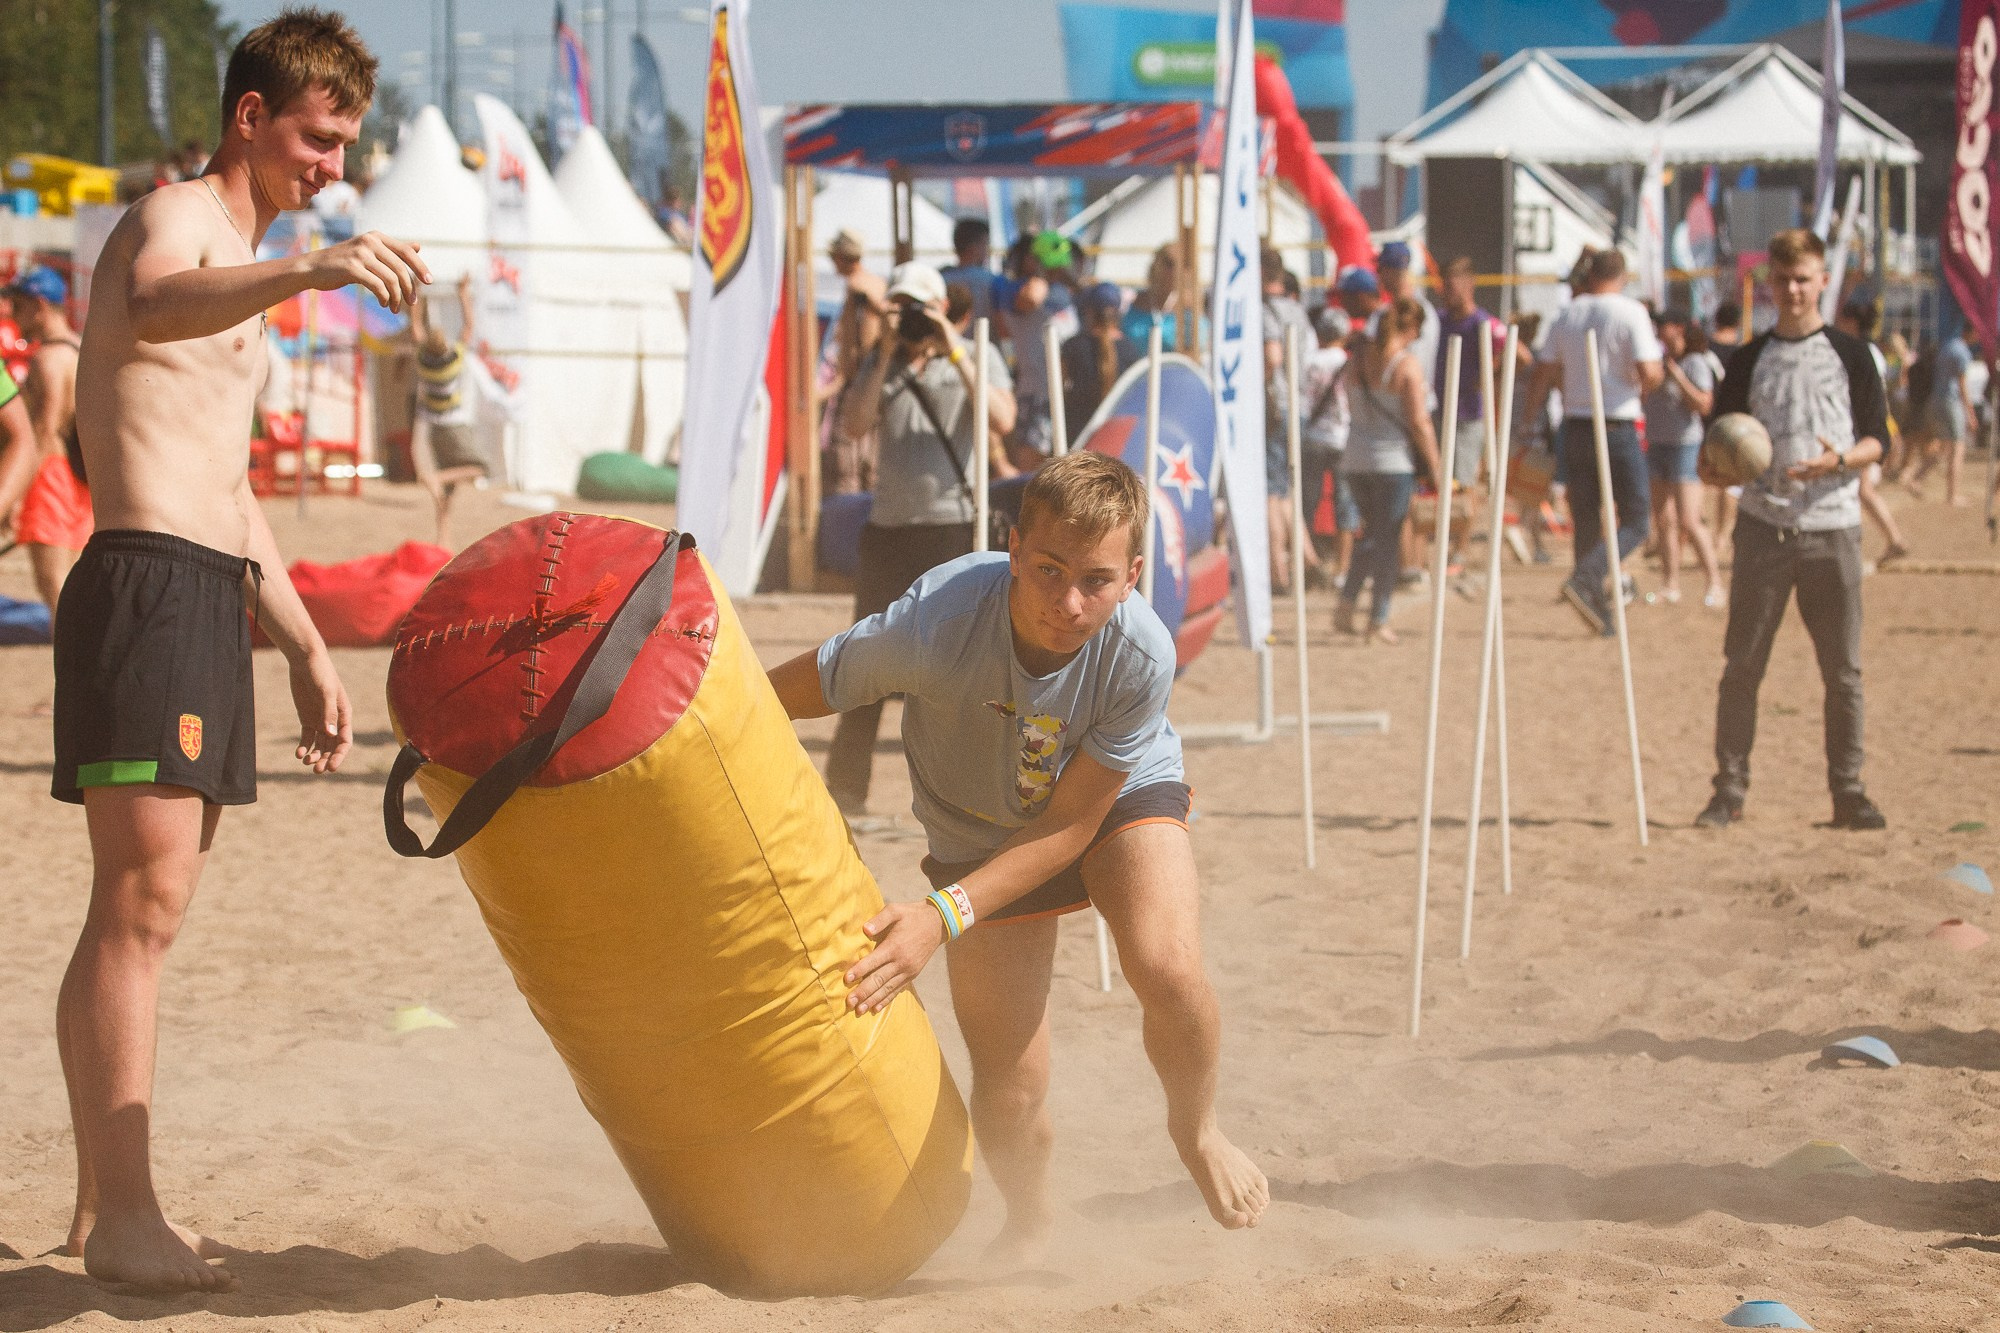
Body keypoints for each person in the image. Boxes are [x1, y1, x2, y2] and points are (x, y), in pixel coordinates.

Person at [54, 9, 426, 1291]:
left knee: (140, 912)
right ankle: (124, 1216)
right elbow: (152, 306)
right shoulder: (175, 222)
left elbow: (232, 488)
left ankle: (99, 1206)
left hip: (205, 589)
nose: (332, 164)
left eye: (345, 145)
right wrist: (313, 270)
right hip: (145, 583)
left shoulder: (249, 276)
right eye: (318, 139)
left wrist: (307, 644)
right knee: (140, 907)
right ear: (251, 117)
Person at [766, 450, 1270, 1266]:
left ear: (1134, 575)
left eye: (1097, 580)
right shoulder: (934, 620)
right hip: (976, 827)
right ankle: (1032, 1219)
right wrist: (693, 721)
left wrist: (942, 915)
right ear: (1011, 547)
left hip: (1104, 800)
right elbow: (792, 692)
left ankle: (1198, 1129)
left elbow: (1071, 825)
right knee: (1008, 1092)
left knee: (1169, 967)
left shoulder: (1141, 654)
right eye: (1048, 570)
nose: (1069, 603)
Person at [1696, 228, 1886, 833]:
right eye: (1784, 280)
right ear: (1769, 283)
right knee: (1743, 665)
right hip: (1764, 528)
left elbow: (1878, 439)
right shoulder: (1748, 359)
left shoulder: (1853, 354)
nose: (1795, 290)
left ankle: (1848, 792)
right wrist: (1720, 461)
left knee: (1844, 671)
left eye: (1805, 278)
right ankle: (1728, 790)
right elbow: (1714, 449)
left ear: (1824, 280)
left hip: (1833, 526)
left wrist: (1839, 462)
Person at [827, 261, 1016, 817]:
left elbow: (1002, 419)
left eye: (920, 308)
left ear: (943, 307)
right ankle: (844, 789)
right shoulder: (880, 365)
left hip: (950, 529)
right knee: (867, 657)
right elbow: (853, 427)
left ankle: (966, 794)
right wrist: (885, 350)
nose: (911, 319)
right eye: (903, 307)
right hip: (888, 533)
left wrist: (951, 345)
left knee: (960, 665)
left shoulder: (975, 356)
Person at [1527, 248, 1663, 634]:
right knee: (1637, 518)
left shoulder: (1568, 312)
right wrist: (1640, 384)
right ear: (1622, 275)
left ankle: (1597, 607)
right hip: (1616, 423)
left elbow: (1544, 371)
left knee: (1586, 516)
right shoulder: (1629, 311)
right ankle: (1588, 578)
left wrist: (1527, 421)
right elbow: (1650, 371)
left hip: (1576, 424)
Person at [1334, 297, 1444, 644]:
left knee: (1371, 535)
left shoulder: (1359, 360)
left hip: (1355, 459)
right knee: (1387, 541)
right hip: (1392, 463)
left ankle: (1348, 602)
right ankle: (1377, 617)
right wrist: (1437, 468)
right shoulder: (1406, 366)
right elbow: (1419, 422)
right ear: (1410, 329)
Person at [2, 266, 90, 630]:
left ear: (39, 306)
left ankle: (74, 667)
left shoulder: (46, 359)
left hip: (49, 474)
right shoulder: (82, 348)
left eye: (18, 307)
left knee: (52, 583)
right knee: (74, 582)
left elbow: (41, 430)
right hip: (80, 475)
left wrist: (16, 497)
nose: (12, 316)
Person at [1642, 310, 1724, 607]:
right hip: (1657, 444)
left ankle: (1715, 583)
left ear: (1677, 329)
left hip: (1685, 446)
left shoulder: (1696, 363)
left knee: (1690, 519)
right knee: (1664, 520)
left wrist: (1678, 379)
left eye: (1662, 327)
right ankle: (1670, 584)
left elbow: (1703, 404)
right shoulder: (1656, 364)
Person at [1433, 257, 1503, 574]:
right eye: (1444, 287)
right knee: (1437, 481)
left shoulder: (1482, 323)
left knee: (1463, 483)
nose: (1447, 293)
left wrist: (1487, 375)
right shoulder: (1439, 320)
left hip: (1468, 414)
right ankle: (1442, 545)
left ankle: (1458, 551)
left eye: (1452, 287)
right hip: (1438, 410)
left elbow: (1518, 354)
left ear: (1468, 285)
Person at [409, 274, 487, 547]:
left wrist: (415, 293)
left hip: (432, 425)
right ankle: (435, 477)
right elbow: (469, 326)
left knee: (447, 493)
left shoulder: (422, 360)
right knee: (479, 469)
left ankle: (443, 540)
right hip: (453, 424)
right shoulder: (454, 360)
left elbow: (415, 324)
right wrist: (463, 294)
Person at [1832, 299, 1910, 563]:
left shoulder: (1861, 352)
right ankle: (1893, 539)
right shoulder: (1870, 351)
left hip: (1864, 430)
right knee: (1860, 490)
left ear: (1851, 321)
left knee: (1863, 490)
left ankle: (1895, 538)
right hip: (1868, 427)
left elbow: (1872, 398)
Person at [994, 231, 1078, 466]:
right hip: (1036, 396)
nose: (1057, 272)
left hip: (1064, 396)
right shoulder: (1016, 288)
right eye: (1051, 267)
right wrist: (1043, 275)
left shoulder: (1063, 291)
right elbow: (1030, 298)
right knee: (1033, 471)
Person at [1262, 249, 1315, 591]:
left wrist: (1262, 387)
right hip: (1299, 405)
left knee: (1271, 493)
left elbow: (1272, 356)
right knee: (1286, 490)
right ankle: (1305, 560)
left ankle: (1279, 571)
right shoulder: (1298, 310)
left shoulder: (1265, 310)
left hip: (1275, 406)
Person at [824, 228, 888, 494]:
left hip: (859, 381)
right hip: (874, 378)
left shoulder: (857, 288)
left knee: (847, 461)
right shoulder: (876, 284)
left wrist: (844, 380)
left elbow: (857, 341)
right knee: (871, 459)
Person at [1300, 304, 1357, 579]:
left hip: (1312, 437)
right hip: (1343, 437)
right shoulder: (1350, 361)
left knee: (1306, 503)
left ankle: (1307, 562)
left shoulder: (1309, 361)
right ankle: (1343, 567)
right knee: (1344, 502)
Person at [1058, 281, 1138, 437]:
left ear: (1089, 311)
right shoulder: (1130, 350)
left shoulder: (1073, 346)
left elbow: (1058, 387)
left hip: (1077, 435)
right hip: (1116, 435)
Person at [1914, 327, 1977, 506]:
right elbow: (1962, 386)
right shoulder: (1962, 352)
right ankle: (1953, 495)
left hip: (1936, 400)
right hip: (1951, 402)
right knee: (1957, 447)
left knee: (1943, 446)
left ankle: (1916, 478)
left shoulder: (1947, 346)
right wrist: (1970, 414)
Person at [1121, 244, 1194, 351]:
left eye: (1182, 265)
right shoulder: (1133, 303)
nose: (1175, 270)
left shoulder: (1190, 310)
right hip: (1137, 365)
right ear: (1156, 265)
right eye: (1169, 264)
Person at [939, 216, 997, 329]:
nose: (987, 250)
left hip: (950, 344)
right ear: (974, 247)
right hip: (984, 345)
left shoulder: (940, 280)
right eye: (985, 244)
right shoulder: (992, 281)